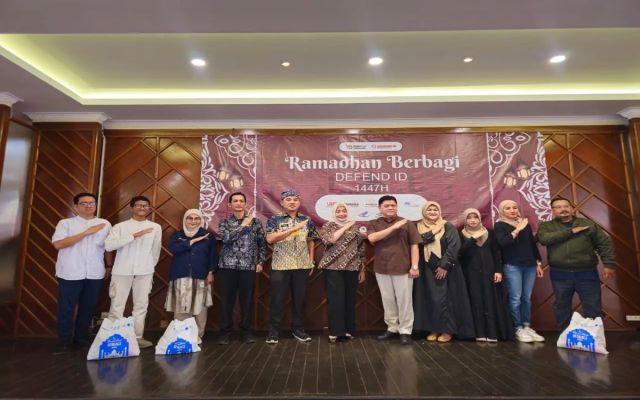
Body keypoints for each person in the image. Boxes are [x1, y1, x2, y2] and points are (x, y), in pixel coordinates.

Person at [537, 197, 616, 330]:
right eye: (558, 207)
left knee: (593, 306)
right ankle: (565, 334)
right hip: (560, 274)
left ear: (572, 209)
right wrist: (570, 231)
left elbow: (604, 243)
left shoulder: (588, 224)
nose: (563, 209)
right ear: (552, 211)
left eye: (566, 206)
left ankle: (595, 335)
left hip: (587, 272)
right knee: (562, 306)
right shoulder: (547, 226)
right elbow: (544, 239)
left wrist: (608, 264)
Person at [51, 192, 112, 354]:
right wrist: (86, 232)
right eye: (84, 203)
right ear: (76, 206)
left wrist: (108, 265)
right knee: (66, 309)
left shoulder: (105, 223)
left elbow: (108, 247)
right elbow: (59, 244)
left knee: (88, 308)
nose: (88, 206)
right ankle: (63, 341)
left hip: (94, 272)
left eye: (91, 203)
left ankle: (81, 338)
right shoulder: (66, 223)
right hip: (70, 272)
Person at [105, 195, 162, 349]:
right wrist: (133, 236)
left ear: (149, 208)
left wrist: (149, 265)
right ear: (132, 207)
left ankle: (137, 337)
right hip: (122, 270)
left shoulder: (155, 227)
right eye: (138, 205)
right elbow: (109, 246)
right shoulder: (120, 227)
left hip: (145, 271)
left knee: (141, 305)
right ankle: (113, 337)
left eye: (145, 206)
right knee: (117, 304)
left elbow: (156, 250)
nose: (142, 208)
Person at [413, 201, 475, 342]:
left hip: (447, 270)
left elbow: (454, 246)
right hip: (426, 269)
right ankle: (434, 329)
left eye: (435, 210)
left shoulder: (448, 226)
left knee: (447, 299)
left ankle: (448, 330)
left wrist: (444, 266)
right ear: (424, 212)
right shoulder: (418, 227)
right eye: (429, 210)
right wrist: (434, 231)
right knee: (431, 299)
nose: (432, 212)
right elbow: (420, 241)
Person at [265, 189, 318, 344]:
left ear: (299, 202)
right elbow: (270, 239)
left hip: (302, 265)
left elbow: (311, 241)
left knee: (300, 299)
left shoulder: (306, 220)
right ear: (282, 203)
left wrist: (311, 260)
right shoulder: (274, 219)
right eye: (288, 200)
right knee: (277, 299)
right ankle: (273, 332)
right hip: (281, 265)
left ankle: (298, 330)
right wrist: (293, 229)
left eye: (295, 199)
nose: (292, 202)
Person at [367, 195, 421, 345]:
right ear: (380, 208)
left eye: (393, 205)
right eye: (387, 206)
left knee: (405, 301)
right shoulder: (374, 223)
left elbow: (414, 245)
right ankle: (392, 328)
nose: (390, 208)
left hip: (403, 268)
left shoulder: (407, 223)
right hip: (382, 268)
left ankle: (405, 331)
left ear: (397, 207)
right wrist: (394, 227)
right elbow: (372, 238)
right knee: (388, 300)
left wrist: (414, 266)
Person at [217, 192, 267, 344]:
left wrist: (261, 262)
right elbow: (226, 239)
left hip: (248, 266)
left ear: (245, 204)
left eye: (241, 201)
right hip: (227, 266)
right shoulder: (224, 222)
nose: (238, 203)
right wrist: (243, 225)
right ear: (230, 205)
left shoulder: (256, 222)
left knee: (247, 301)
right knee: (227, 301)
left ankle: (246, 331)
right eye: (235, 201)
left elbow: (262, 244)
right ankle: (226, 332)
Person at [494, 199, 545, 343]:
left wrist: (538, 263)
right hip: (512, 265)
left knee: (526, 298)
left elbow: (532, 244)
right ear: (502, 211)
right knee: (515, 298)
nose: (512, 210)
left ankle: (526, 326)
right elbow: (502, 242)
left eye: (514, 207)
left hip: (529, 265)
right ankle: (517, 328)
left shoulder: (524, 223)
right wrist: (517, 230)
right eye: (508, 208)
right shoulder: (499, 225)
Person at [459, 208, 512, 342]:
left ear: (479, 219)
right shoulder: (461, 234)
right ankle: (479, 333)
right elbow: (459, 253)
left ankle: (493, 333)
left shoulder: (490, 233)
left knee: (490, 300)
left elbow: (496, 253)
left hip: (490, 272)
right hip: (470, 274)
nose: (472, 220)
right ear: (465, 220)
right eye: (469, 218)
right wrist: (472, 239)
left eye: (475, 217)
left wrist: (498, 271)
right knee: (475, 301)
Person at [165, 209, 217, 344]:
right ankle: (181, 334)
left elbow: (213, 255)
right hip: (180, 275)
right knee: (181, 306)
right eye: (190, 218)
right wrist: (191, 242)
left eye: (196, 218)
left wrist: (210, 272)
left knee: (200, 308)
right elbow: (174, 249)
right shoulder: (178, 235)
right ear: (185, 220)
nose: (193, 221)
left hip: (200, 275)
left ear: (201, 220)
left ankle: (197, 335)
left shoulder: (207, 236)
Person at [317, 203, 366, 343]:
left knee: (350, 300)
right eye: (338, 211)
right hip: (333, 267)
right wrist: (346, 226)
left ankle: (348, 330)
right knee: (335, 300)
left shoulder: (355, 229)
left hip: (352, 267)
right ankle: (335, 332)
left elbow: (361, 250)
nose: (341, 213)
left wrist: (362, 269)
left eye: (344, 211)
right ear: (334, 213)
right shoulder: (328, 226)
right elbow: (329, 240)